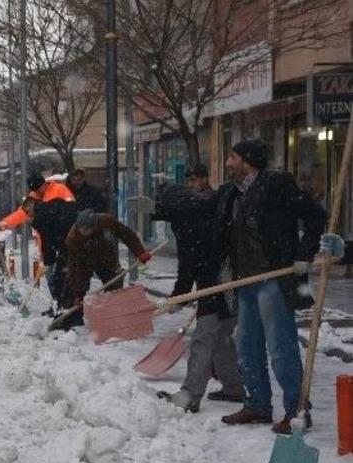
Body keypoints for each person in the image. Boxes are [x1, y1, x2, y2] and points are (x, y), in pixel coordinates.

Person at [214, 139, 326, 434]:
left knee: (281, 348)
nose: (228, 163)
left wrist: (304, 254)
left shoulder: (276, 185)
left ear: (247, 161)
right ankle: (258, 405)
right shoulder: (233, 193)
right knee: (246, 347)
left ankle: (298, 410)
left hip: (274, 279)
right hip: (246, 281)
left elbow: (316, 215)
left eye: (232, 157)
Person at [152, 164, 244, 412]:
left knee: (204, 339)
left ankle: (190, 395)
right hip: (227, 279)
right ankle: (234, 387)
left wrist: (178, 296)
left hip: (219, 282)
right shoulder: (204, 208)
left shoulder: (187, 219)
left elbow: (188, 263)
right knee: (221, 336)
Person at [55, 210, 151, 331]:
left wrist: (140, 252)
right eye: (81, 229)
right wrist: (78, 292)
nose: (84, 232)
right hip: (84, 262)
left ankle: (113, 317)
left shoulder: (106, 221)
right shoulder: (72, 239)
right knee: (72, 291)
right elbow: (75, 268)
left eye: (87, 229)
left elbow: (126, 234)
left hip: (106, 258)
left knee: (114, 286)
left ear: (94, 226)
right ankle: (73, 320)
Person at [0, 172, 77, 313]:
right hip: (49, 244)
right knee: (52, 277)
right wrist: (6, 223)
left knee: (62, 277)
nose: (39, 192)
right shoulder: (34, 198)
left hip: (64, 242)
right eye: (35, 190)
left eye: (40, 188)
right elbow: (23, 212)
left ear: (44, 184)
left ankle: (65, 306)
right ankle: (58, 304)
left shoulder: (59, 190)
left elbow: (70, 213)